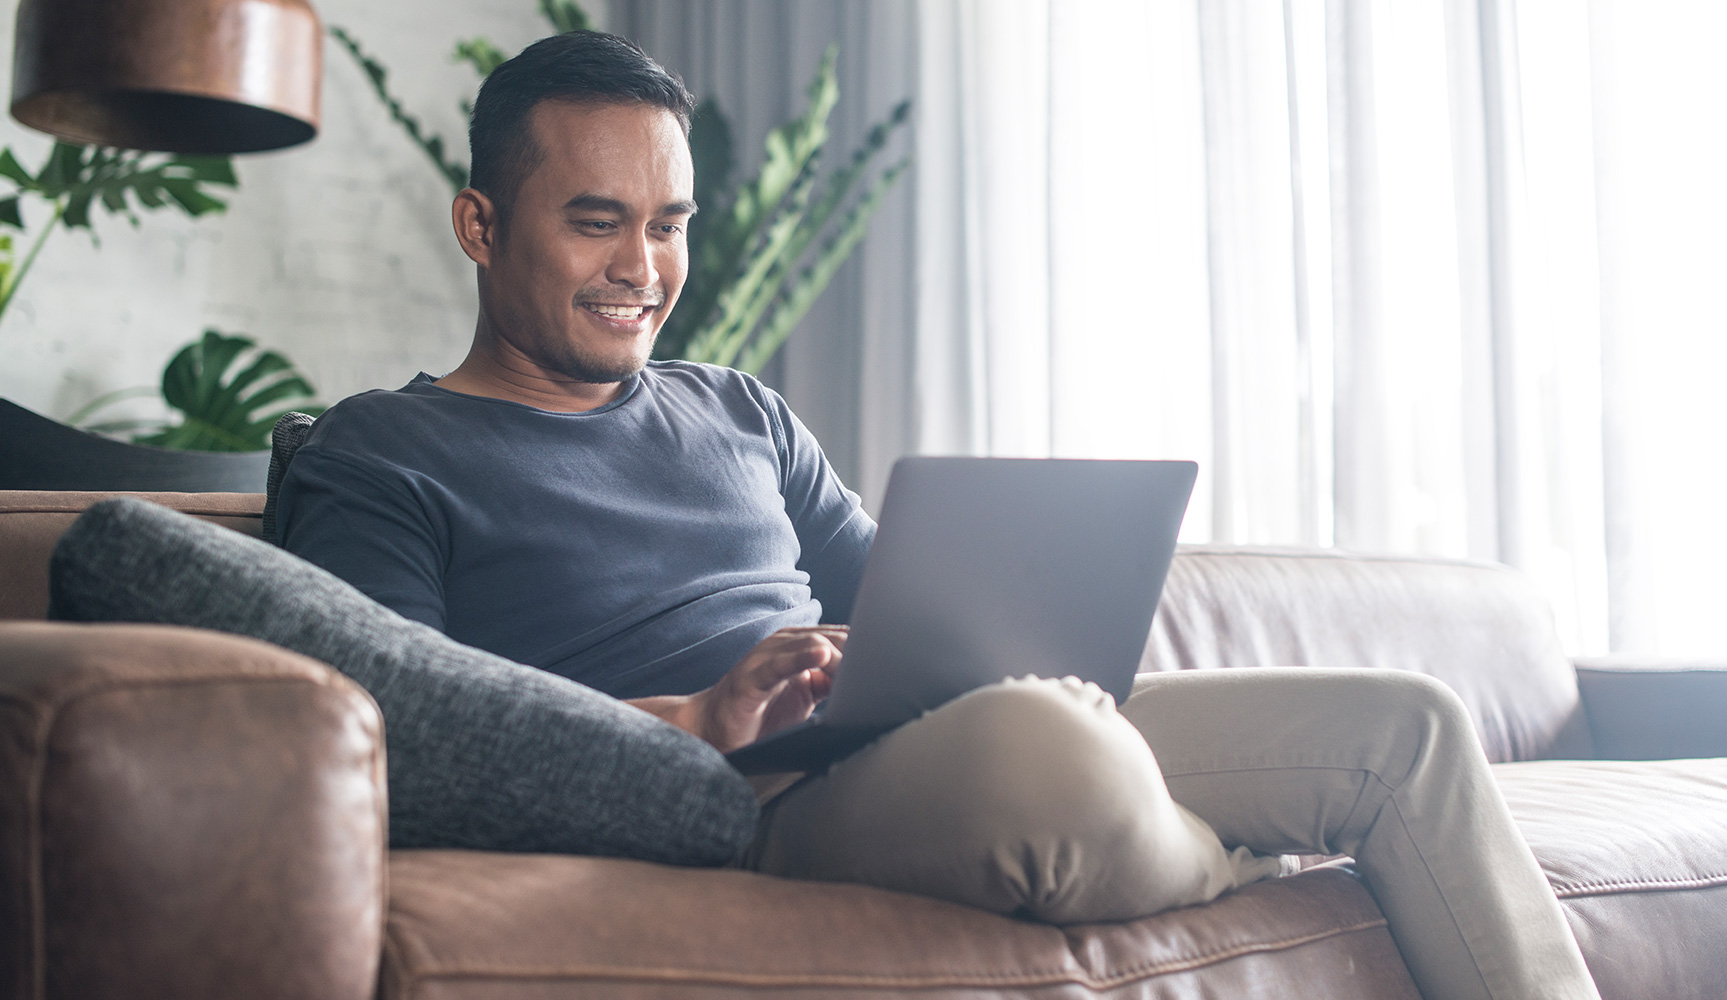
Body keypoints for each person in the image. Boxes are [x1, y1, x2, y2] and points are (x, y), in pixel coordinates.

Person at [277, 30, 1601, 1000]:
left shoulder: (741, 411)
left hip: (918, 746)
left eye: (670, 223)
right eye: (595, 222)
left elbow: (916, 610)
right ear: (479, 222)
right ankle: (1236, 859)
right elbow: (402, 738)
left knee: (1402, 725)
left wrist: (978, 632)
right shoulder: (381, 454)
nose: (644, 269)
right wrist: (696, 718)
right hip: (744, 801)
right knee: (1052, 752)